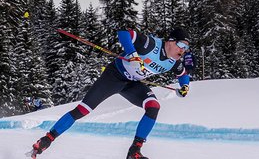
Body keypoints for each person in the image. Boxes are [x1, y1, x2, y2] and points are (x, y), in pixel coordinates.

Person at [29, 27, 192, 159]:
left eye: (186, 48)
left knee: (153, 106)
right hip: (114, 76)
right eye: (181, 45)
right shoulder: (150, 44)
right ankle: (47, 139)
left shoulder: (173, 63)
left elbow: (183, 74)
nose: (183, 50)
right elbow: (124, 32)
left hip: (132, 84)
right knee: (83, 110)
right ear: (171, 41)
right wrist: (133, 55)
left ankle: (134, 151)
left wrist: (184, 87)